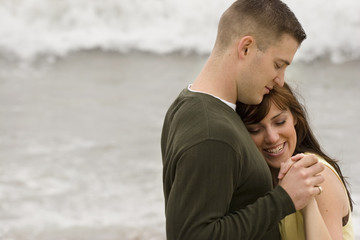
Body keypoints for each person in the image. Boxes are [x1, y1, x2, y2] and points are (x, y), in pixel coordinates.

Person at [161, 0, 325, 239]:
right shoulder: (212, 133)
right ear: (246, 48)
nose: (280, 80)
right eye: (278, 65)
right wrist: (284, 199)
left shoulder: (187, 106)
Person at [236, 83, 354, 239]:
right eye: (256, 130)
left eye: (279, 122)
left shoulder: (317, 174)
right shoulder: (263, 179)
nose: (272, 137)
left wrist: (308, 203)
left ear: (295, 118)